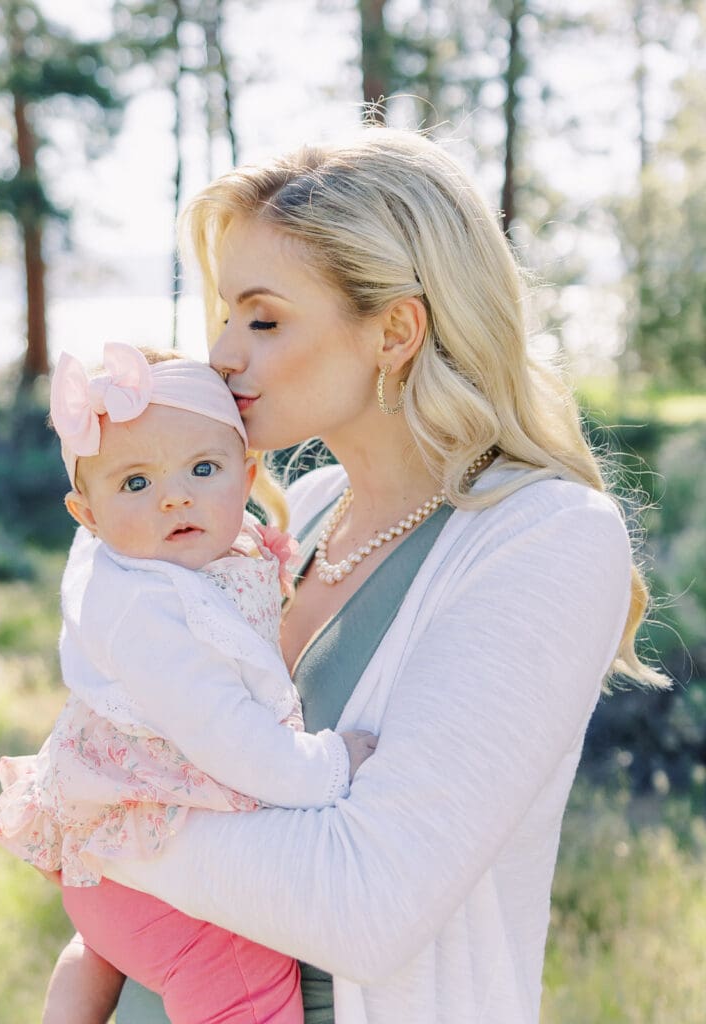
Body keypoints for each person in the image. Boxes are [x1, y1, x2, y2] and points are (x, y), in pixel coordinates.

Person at [52, 127, 667, 1024]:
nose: (223, 352)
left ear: (396, 329)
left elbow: (364, 906)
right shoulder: (297, 514)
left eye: (263, 319)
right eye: (226, 315)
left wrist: (85, 812)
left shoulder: (541, 538)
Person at [0, 342, 378, 1024]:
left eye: (204, 468)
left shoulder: (198, 554)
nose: (175, 494)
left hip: (111, 864)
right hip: (142, 868)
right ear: (89, 516)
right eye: (135, 483)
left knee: (103, 946)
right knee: (245, 979)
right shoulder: (145, 612)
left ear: (247, 474)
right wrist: (330, 765)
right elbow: (227, 735)